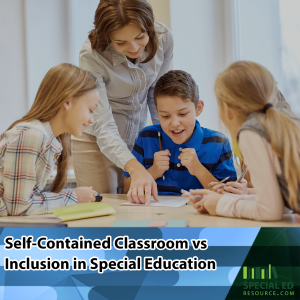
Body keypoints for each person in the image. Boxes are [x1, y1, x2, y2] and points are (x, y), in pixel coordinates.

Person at [71, 0, 173, 204]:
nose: (134, 48)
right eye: (121, 43)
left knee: (137, 207)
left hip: (138, 137)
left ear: (149, 26)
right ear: (107, 37)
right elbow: (103, 123)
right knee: (103, 209)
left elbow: (157, 95)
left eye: (140, 37)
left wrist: (163, 138)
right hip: (97, 140)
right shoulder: (91, 56)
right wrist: (135, 167)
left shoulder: (163, 37)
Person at [187, 61, 300, 221]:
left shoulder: (251, 132)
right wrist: (225, 200)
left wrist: (220, 205)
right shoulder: (284, 125)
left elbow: (269, 211)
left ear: (228, 110)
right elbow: (281, 202)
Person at [0, 64, 99, 216]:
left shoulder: (49, 139)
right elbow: (19, 208)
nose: (92, 120)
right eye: (90, 110)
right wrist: (72, 197)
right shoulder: (32, 135)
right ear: (67, 102)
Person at [123, 70, 237, 197]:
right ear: (157, 112)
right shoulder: (146, 137)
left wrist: (199, 170)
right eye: (165, 116)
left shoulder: (219, 143)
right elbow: (126, 189)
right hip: (156, 215)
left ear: (198, 108)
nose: (174, 123)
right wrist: (153, 171)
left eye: (182, 114)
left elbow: (230, 196)